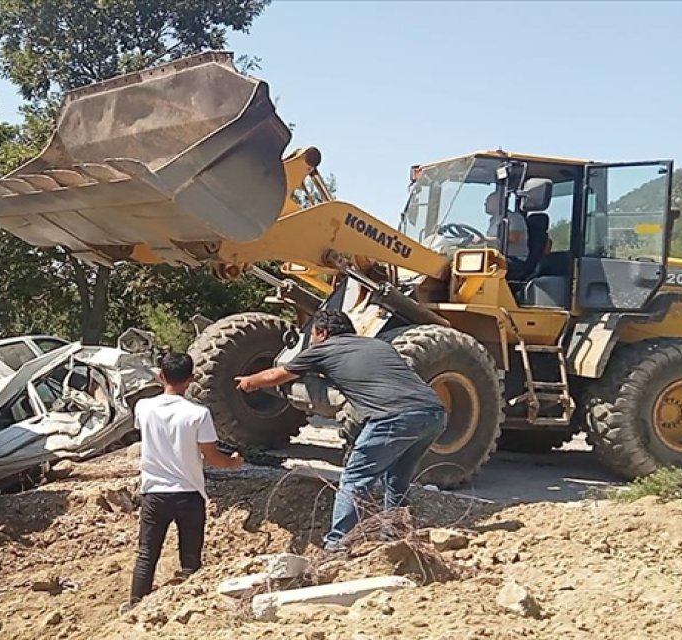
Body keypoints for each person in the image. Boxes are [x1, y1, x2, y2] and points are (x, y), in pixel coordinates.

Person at [234, 310, 445, 550]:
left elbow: (277, 375)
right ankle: (396, 534)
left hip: (393, 418)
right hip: (433, 413)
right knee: (397, 476)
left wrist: (249, 382)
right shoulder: (378, 345)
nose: (311, 339)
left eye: (312, 334)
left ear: (323, 333)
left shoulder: (322, 349)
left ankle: (338, 544)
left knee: (355, 479)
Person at [127, 352, 242, 611]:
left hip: (154, 492)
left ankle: (134, 605)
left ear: (161, 375)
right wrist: (233, 462)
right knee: (190, 558)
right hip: (189, 493)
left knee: (147, 554)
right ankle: (189, 607)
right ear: (191, 378)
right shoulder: (198, 414)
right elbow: (211, 457)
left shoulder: (143, 407)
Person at [484, 192, 529, 273]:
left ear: (499, 202)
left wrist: (484, 239)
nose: (485, 204)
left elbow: (514, 237)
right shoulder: (493, 220)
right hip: (497, 257)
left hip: (514, 259)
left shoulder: (513, 218)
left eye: (488, 201)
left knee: (483, 266)